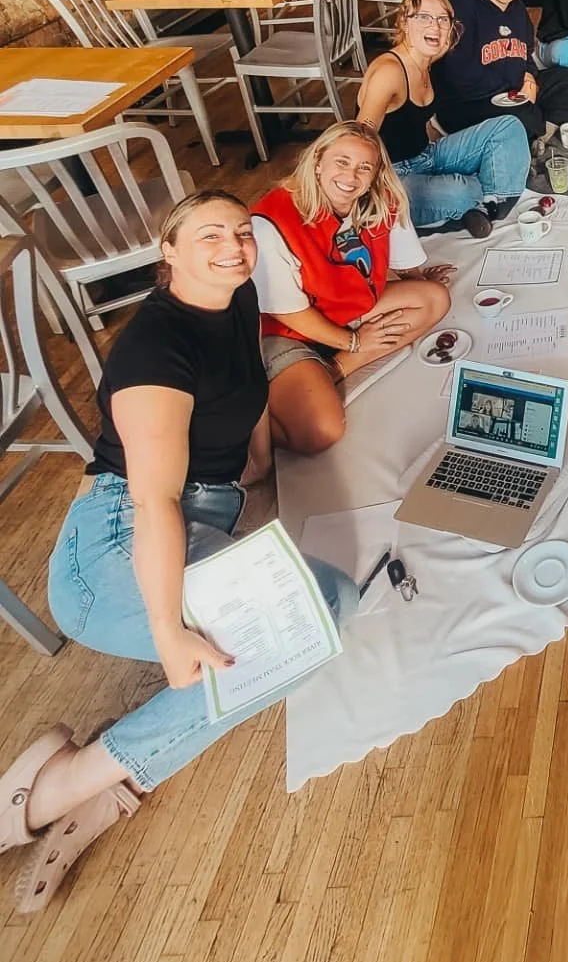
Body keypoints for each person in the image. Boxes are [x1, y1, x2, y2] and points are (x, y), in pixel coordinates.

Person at [0, 193, 356, 914]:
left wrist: (255, 469)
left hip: (198, 519)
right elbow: (153, 501)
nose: (233, 246)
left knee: (325, 612)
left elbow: (247, 389)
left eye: (241, 233)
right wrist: (168, 630)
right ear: (167, 251)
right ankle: (67, 787)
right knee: (290, 638)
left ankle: (110, 784)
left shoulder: (237, 294)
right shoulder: (152, 351)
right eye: (209, 235)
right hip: (113, 552)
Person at [252, 122, 453, 455]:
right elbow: (291, 314)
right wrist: (356, 341)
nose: (351, 176)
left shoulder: (383, 200)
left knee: (434, 298)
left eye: (364, 167)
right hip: (287, 331)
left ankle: (333, 368)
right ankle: (253, 415)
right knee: (321, 432)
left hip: (344, 310)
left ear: (375, 174)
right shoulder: (271, 219)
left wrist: (421, 280)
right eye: (341, 162)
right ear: (317, 162)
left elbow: (406, 267)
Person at [356, 0, 531, 234]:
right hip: (390, 175)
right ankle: (472, 203)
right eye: (424, 17)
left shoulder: (429, 61)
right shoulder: (390, 71)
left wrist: (458, 153)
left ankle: (485, 205)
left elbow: (419, 122)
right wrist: (368, 194)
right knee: (463, 190)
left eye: (442, 19)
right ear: (404, 22)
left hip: (426, 155)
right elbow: (360, 137)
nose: (434, 26)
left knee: (508, 126)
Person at [432, 0, 568, 148]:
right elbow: (461, 73)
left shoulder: (517, 9)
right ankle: (534, 133)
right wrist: (516, 90)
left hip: (513, 90)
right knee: (521, 115)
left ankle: (539, 137)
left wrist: (529, 78)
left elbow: (526, 56)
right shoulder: (463, 6)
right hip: (470, 99)